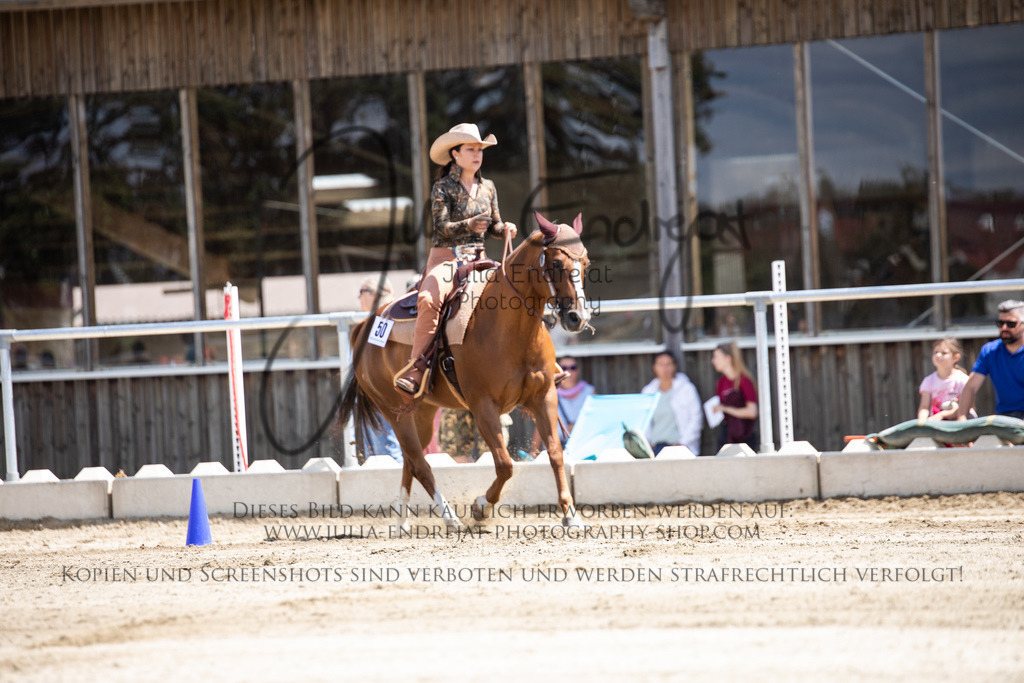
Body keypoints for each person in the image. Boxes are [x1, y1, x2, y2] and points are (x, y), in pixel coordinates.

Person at [394, 122, 517, 397]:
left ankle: (539, 361)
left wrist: (504, 228)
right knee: (428, 300)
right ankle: (417, 368)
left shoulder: (489, 188)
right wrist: (469, 224)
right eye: (470, 149)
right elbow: (440, 228)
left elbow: (493, 226)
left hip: (480, 260)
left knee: (516, 290)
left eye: (480, 150)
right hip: (446, 260)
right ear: (455, 155)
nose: (477, 154)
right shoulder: (442, 188)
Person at [358, 274, 402, 463]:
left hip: (382, 389)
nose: (359, 297)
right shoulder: (384, 316)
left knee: (385, 448)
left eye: (362, 292)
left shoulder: (384, 316)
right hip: (380, 387)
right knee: (378, 449)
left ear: (375, 294)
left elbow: (376, 351)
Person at [956, 299, 1024, 420]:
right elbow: (970, 387)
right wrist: (961, 421)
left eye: (1011, 324)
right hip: (1005, 418)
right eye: (1000, 323)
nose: (1004, 328)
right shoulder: (990, 351)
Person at [641, 350, 703, 456]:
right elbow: (643, 421)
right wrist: (646, 442)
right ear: (654, 367)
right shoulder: (648, 391)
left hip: (680, 447)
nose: (664, 369)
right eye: (661, 365)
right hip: (655, 448)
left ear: (674, 366)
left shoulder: (686, 388)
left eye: (668, 364)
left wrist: (683, 442)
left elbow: (696, 418)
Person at [531, 356, 595, 453]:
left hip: (582, 450)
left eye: (573, 367)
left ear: (578, 370)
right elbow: (541, 424)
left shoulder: (590, 392)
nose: (568, 371)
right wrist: (533, 452)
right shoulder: (548, 394)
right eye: (564, 368)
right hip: (555, 450)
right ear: (557, 371)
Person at [710, 341, 758, 450]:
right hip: (726, 436)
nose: (713, 361)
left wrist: (726, 409)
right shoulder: (721, 382)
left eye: (716, 357)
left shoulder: (744, 381)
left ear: (728, 358)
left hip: (743, 436)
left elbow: (752, 412)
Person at [917, 337, 972, 421]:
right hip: (938, 425)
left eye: (944, 353)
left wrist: (943, 415)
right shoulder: (928, 381)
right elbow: (924, 407)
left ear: (955, 357)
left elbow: (966, 407)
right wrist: (922, 422)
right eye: (936, 352)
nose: (938, 355)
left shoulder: (963, 379)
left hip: (961, 424)